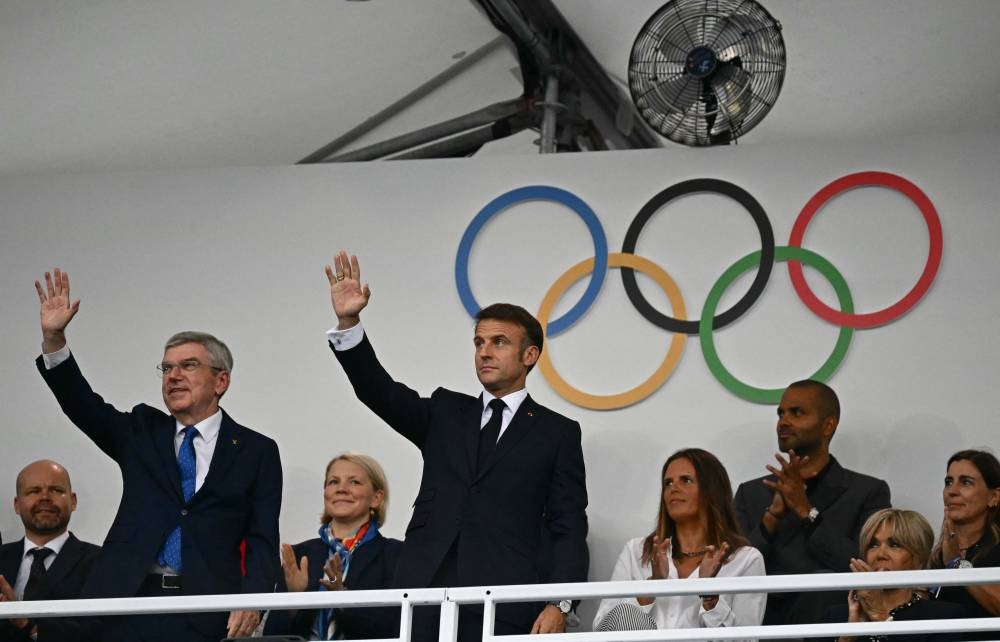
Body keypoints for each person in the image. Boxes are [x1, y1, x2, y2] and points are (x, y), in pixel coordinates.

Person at [324, 251, 588, 641]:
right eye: (479, 342)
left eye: (499, 342)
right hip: (425, 595)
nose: (484, 351)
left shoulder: (557, 433)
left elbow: (569, 528)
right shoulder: (446, 412)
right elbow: (378, 391)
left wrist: (560, 603)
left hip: (506, 603)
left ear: (529, 355)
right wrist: (349, 322)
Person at [32, 268, 282, 642]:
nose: (173, 375)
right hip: (124, 606)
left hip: (204, 611)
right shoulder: (141, 431)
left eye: (188, 365)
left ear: (221, 381)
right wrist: (54, 340)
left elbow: (263, 539)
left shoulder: (256, 450)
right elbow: (83, 405)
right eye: (166, 368)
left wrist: (254, 599)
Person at [733, 380, 891, 631]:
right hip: (762, 625)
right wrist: (771, 519)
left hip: (830, 626)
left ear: (828, 425)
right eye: (780, 413)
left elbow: (865, 567)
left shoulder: (867, 492)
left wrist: (807, 512)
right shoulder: (750, 494)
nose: (783, 421)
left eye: (797, 413)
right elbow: (733, 574)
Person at [593, 448, 766, 638]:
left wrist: (709, 596)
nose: (673, 488)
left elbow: (747, 638)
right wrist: (652, 586)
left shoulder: (745, 559)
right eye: (667, 483)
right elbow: (602, 627)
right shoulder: (636, 551)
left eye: (686, 480)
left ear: (712, 490)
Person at [265, 452, 402, 640]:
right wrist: (295, 601)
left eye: (354, 482)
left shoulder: (395, 555)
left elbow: (394, 628)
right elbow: (272, 635)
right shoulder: (300, 555)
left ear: (376, 498)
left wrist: (342, 599)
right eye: (333, 482)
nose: (341, 489)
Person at [825, 508, 965, 642]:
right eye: (873, 545)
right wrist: (848, 637)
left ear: (919, 558)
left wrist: (880, 616)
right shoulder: (836, 616)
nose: (881, 554)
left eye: (895, 545)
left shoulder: (942, 618)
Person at [0, 460, 101, 642]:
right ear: (17, 504)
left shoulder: (101, 561)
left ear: (73, 501)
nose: (45, 497)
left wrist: (25, 624)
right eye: (34, 491)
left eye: (56, 490)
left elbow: (97, 630)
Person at [928, 449, 1000, 640]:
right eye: (948, 482)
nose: (952, 491)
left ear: (994, 497)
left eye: (966, 482)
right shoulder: (936, 554)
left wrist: (957, 564)